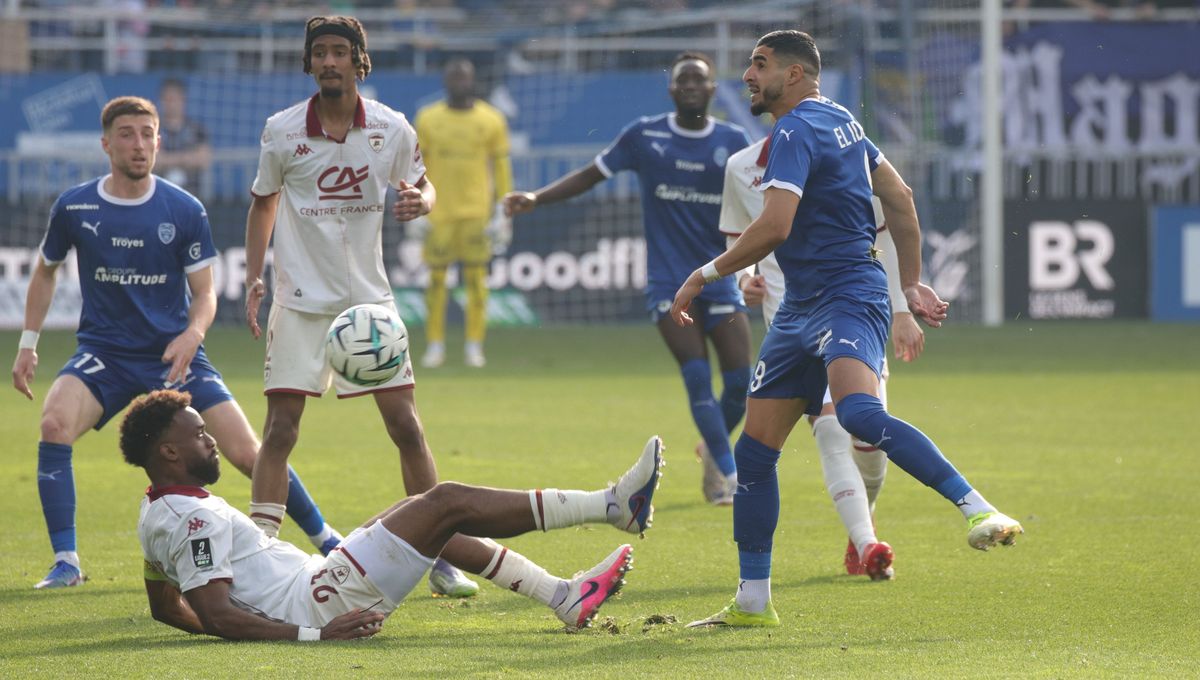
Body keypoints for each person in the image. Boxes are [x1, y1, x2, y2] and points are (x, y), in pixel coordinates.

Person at [673, 30, 1024, 627]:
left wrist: (703, 275)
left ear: (797, 74)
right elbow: (902, 197)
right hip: (799, 310)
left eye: (760, 65)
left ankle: (978, 508)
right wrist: (911, 283)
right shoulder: (841, 120)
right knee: (754, 456)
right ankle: (753, 602)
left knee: (858, 416)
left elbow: (776, 225)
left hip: (847, 296)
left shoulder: (793, 130)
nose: (748, 77)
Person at [10, 96, 340, 590]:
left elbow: (205, 294)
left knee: (251, 454)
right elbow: (45, 271)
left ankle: (328, 539)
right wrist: (28, 343)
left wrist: (193, 333)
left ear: (159, 141)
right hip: (106, 354)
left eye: (148, 134)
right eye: (127, 134)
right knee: (54, 423)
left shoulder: (183, 208)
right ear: (106, 143)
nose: (139, 144)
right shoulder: (75, 205)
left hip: (175, 353)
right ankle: (67, 562)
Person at [243, 15, 477, 599]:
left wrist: (420, 203)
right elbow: (262, 203)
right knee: (279, 430)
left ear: (358, 62)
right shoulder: (282, 130)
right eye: (319, 52)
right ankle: (255, 558)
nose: (329, 61)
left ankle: (438, 553)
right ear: (309, 63)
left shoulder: (392, 129)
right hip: (299, 304)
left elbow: (425, 185)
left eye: (339, 53)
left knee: (406, 426)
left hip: (370, 307)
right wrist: (253, 278)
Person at [127, 390, 664, 639]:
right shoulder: (191, 521)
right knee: (445, 500)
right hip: (321, 599)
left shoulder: (158, 513)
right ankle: (613, 506)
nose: (212, 439)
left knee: (423, 514)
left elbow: (164, 607)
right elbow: (214, 613)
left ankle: (563, 596)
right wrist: (310, 633)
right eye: (199, 434)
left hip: (316, 587)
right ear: (169, 453)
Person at [505, 51, 753, 506]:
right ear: (672, 90)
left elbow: (760, 206)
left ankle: (712, 444)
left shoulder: (735, 139)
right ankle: (729, 476)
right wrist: (536, 199)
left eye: (700, 79)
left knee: (741, 382)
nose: (692, 86)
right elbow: (591, 174)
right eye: (684, 80)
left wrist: (754, 267)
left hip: (719, 277)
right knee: (697, 376)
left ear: (714, 89)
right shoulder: (645, 135)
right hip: (667, 282)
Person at [721, 130, 927, 579]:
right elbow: (740, 238)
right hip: (791, 326)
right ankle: (868, 545)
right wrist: (744, 280)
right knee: (831, 432)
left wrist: (900, 309)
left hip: (854, 311)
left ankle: (862, 523)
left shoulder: (847, 154)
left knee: (868, 442)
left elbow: (885, 235)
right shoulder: (740, 167)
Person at [414, 57, 513, 369]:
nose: (459, 82)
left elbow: (500, 167)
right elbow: (416, 166)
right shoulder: (428, 119)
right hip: (438, 213)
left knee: (476, 282)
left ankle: (474, 345)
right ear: (446, 81)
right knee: (436, 282)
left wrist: (504, 210)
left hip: (476, 213)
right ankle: (435, 345)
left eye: (464, 77)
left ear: (473, 81)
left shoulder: (491, 120)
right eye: (453, 77)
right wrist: (417, 208)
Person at [155, 78, 212, 195]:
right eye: (166, 99)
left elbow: (203, 159)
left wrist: (167, 159)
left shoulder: (196, 130)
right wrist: (186, 158)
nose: (170, 104)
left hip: (191, 193)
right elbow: (154, 160)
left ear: (183, 100)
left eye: (174, 99)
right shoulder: (154, 130)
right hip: (160, 194)